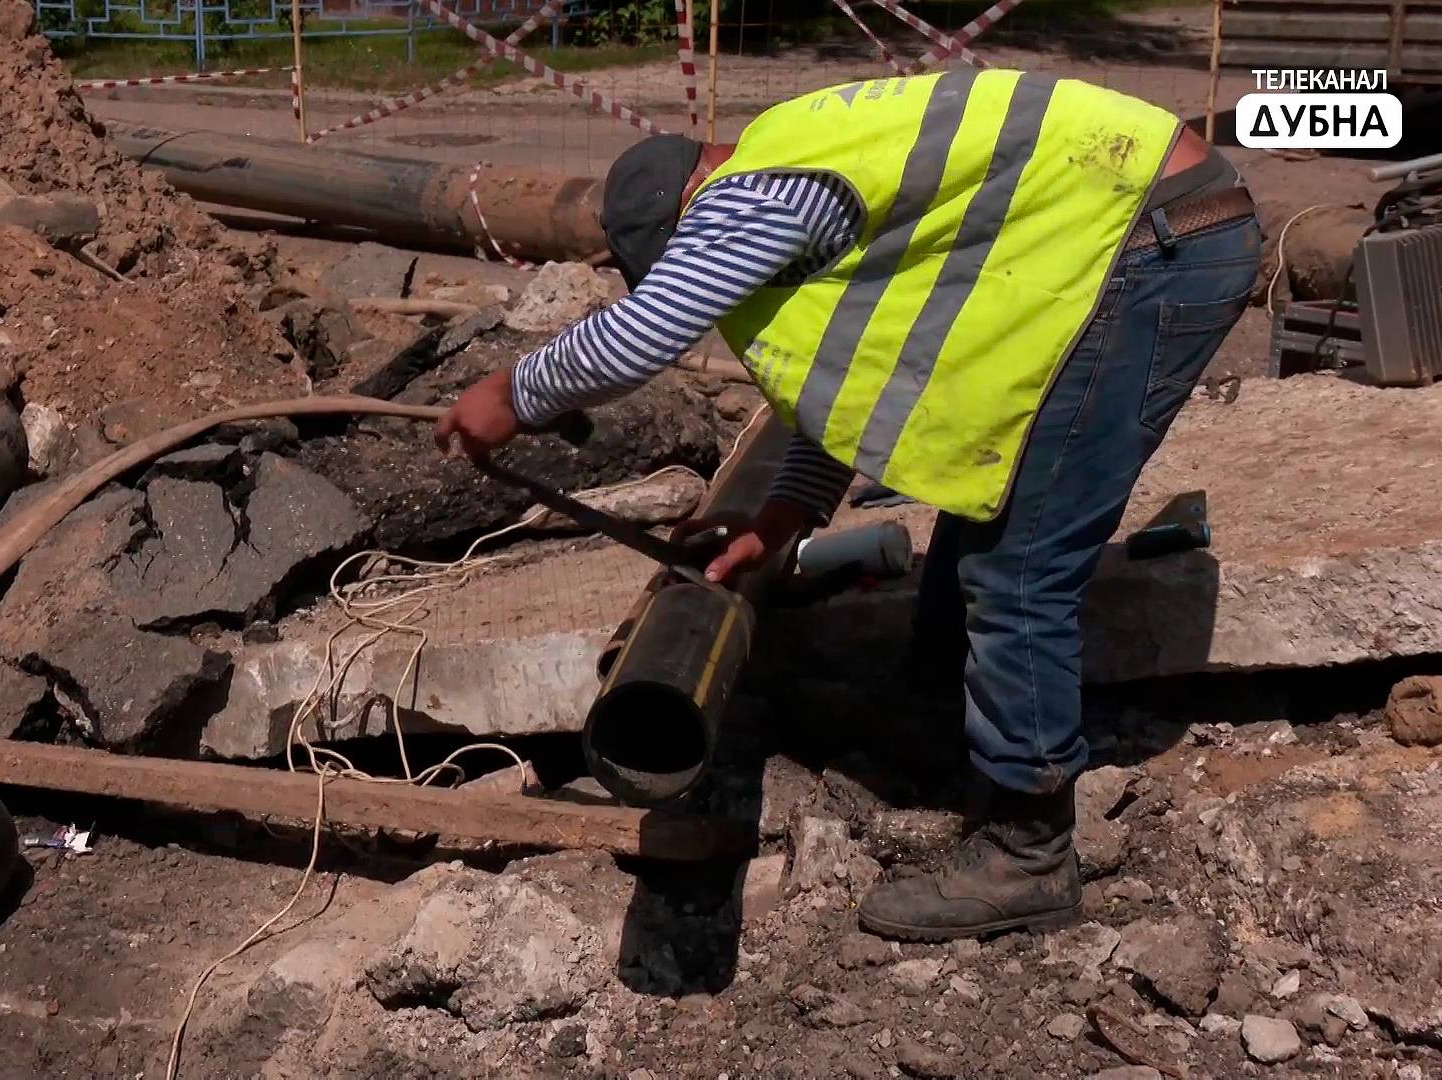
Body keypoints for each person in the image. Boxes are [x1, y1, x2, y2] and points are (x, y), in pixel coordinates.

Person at [435, 68, 1262, 942]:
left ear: (688, 217)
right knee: (991, 497)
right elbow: (869, 374)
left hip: (1153, 247)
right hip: (1139, 228)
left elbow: (644, 335)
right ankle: (951, 711)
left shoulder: (747, 199)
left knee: (1018, 566)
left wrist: (514, 393)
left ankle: (1030, 853)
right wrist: (784, 516)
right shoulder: (804, 153)